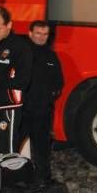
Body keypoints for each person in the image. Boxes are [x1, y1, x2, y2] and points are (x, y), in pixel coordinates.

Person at [22, 20, 64, 182]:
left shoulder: (51, 56)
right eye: (38, 33)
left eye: (45, 34)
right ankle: (14, 177)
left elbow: (59, 81)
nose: (41, 37)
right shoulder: (22, 54)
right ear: (30, 33)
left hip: (43, 111)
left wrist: (49, 96)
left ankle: (43, 179)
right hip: (22, 110)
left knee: (42, 148)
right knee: (16, 145)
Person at [0, 6, 32, 155]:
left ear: (9, 25)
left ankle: (7, 179)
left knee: (5, 155)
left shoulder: (21, 48)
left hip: (6, 108)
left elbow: (23, 82)